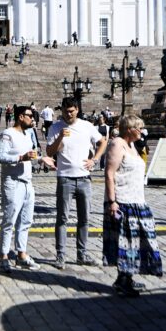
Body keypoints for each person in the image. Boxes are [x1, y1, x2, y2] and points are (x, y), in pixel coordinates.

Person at [103, 115, 163, 297]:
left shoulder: (131, 146)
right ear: (129, 129)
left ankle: (126, 277)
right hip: (123, 202)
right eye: (139, 128)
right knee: (126, 242)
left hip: (137, 200)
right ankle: (123, 279)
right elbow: (109, 174)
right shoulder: (116, 144)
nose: (142, 131)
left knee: (137, 242)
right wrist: (113, 202)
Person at [46, 97, 108, 269]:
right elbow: (50, 152)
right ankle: (61, 255)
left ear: (77, 110)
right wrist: (59, 138)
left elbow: (103, 142)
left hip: (84, 179)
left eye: (71, 110)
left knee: (84, 218)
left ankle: (82, 253)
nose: (68, 114)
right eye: (65, 111)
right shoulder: (55, 127)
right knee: (62, 218)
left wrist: (95, 160)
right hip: (64, 178)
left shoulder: (87, 126)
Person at [0, 106, 53, 273]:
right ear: (21, 117)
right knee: (9, 221)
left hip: (28, 182)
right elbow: (0, 157)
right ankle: (4, 257)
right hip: (13, 182)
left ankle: (21, 255)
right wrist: (21, 157)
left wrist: (42, 159)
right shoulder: (7, 134)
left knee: (26, 221)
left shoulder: (28, 135)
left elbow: (31, 157)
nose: (33, 118)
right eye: (30, 116)